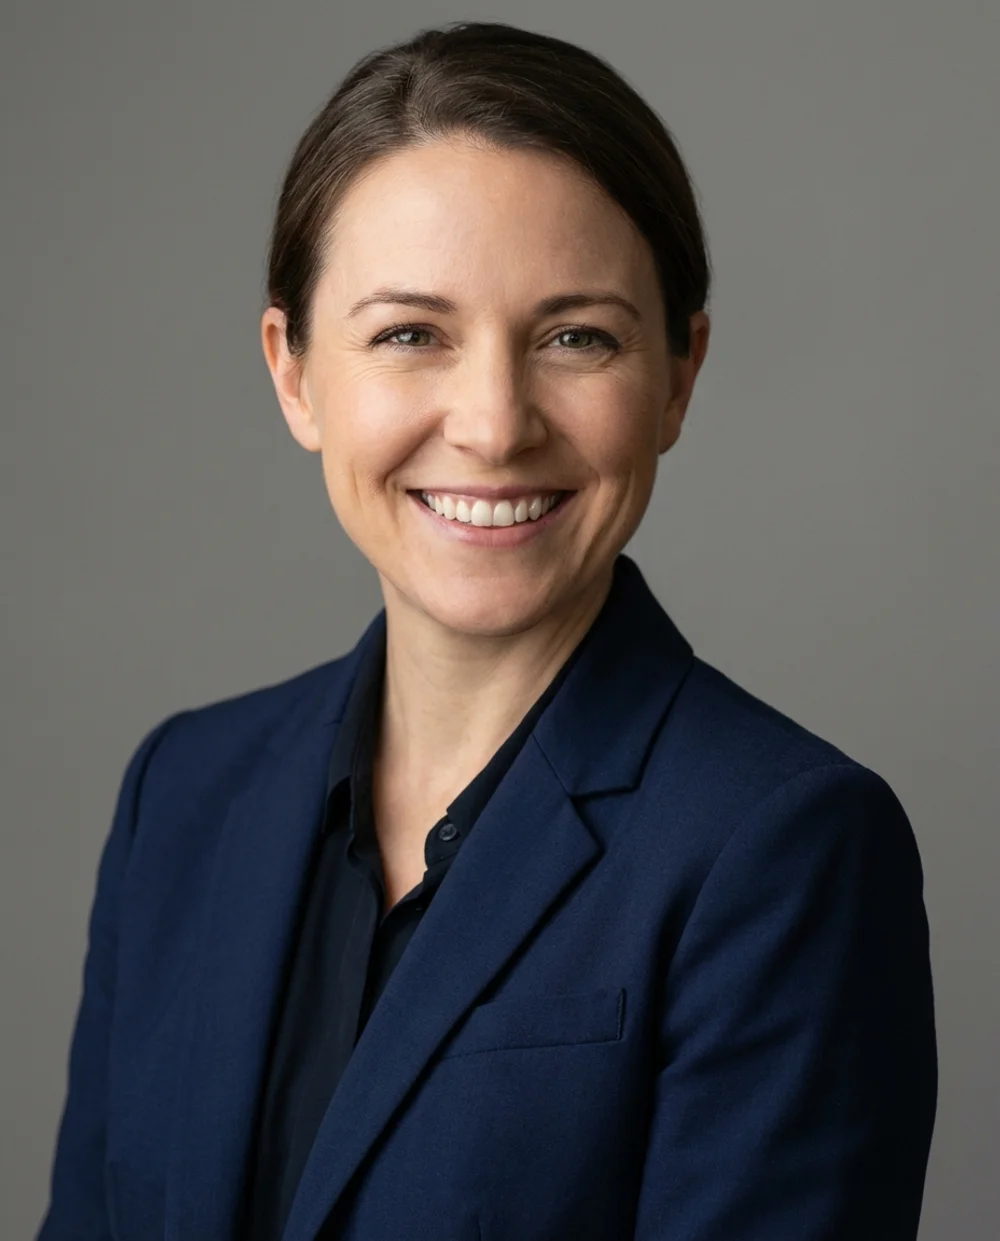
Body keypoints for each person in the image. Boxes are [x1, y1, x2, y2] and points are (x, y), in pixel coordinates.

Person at [36, 19, 936, 1241]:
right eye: (411, 333)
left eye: (577, 337)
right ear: (293, 371)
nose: (495, 422)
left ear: (677, 377)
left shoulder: (782, 848)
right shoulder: (180, 794)